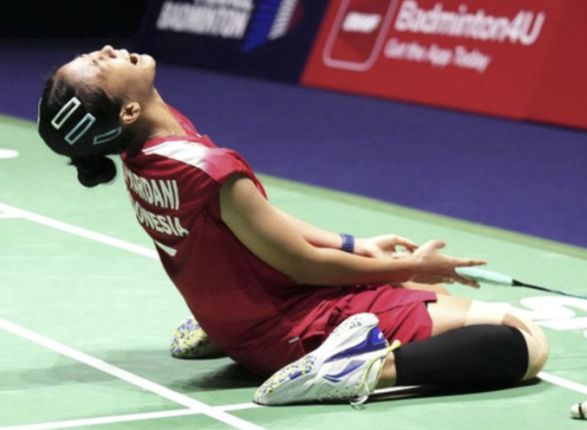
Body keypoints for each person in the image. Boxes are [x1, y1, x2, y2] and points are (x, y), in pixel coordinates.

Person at [37, 45, 548, 406]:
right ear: (128, 110)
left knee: (415, 289)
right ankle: (352, 369)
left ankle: (230, 326)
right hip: (287, 329)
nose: (107, 50)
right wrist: (412, 266)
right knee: (520, 338)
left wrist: (357, 245)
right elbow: (304, 265)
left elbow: (259, 224)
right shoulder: (206, 169)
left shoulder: (145, 150)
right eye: (98, 65)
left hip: (240, 315)